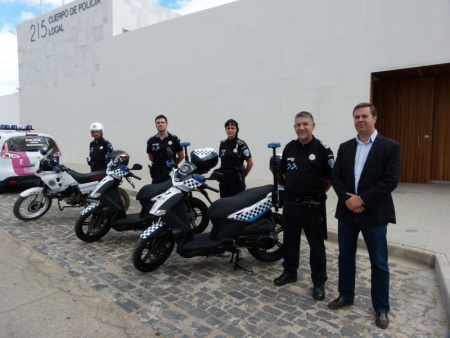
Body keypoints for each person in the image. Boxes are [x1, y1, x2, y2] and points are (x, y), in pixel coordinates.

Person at [327, 103, 401, 330]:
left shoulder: (390, 147)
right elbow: (336, 176)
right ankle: (346, 295)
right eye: (356, 117)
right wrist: (349, 200)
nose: (360, 120)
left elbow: (390, 181)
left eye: (365, 116)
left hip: (375, 213)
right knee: (345, 257)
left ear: (374, 118)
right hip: (347, 213)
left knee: (379, 262)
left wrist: (363, 199)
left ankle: (381, 308)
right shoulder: (346, 146)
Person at [273, 111, 334, 301]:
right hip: (291, 203)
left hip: (312, 205)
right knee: (290, 240)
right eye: (298, 125)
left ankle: (318, 282)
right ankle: (290, 272)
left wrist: (314, 192)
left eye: (305, 124)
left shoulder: (323, 149)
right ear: (294, 127)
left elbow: (330, 177)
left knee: (316, 245)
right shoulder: (290, 148)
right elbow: (283, 173)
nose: (302, 128)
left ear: (313, 126)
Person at [218, 119, 253, 198]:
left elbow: (250, 162)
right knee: (224, 203)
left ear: (237, 130)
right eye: (228, 128)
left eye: (232, 128)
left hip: (236, 179)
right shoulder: (222, 144)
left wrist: (243, 176)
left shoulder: (241, 144)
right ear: (225, 129)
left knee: (237, 203)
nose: (230, 130)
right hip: (224, 179)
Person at [146, 115, 184, 183]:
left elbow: (181, 156)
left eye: (162, 122)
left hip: (171, 173)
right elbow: (151, 157)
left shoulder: (174, 139)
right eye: (158, 123)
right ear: (155, 125)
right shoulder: (151, 140)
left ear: (166, 124)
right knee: (156, 192)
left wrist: (173, 164)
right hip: (157, 173)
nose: (160, 124)